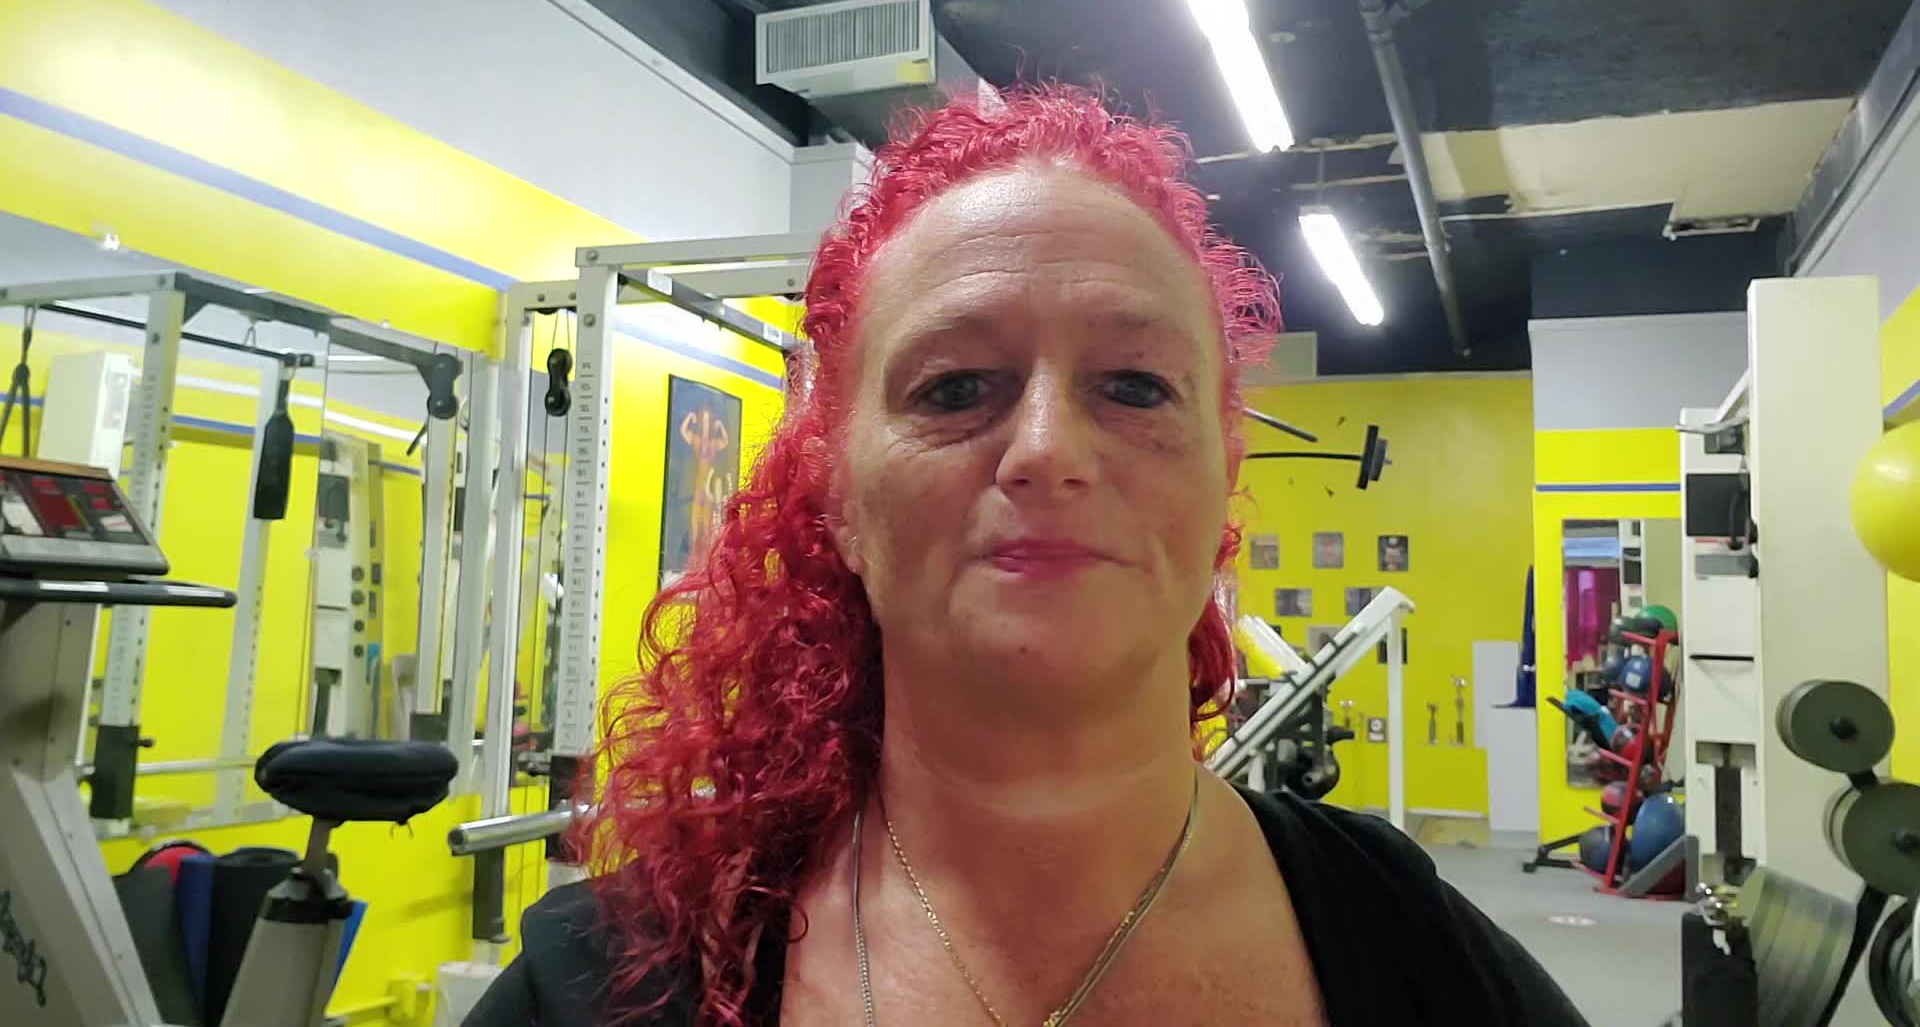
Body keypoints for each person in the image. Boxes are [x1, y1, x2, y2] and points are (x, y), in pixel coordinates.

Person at [467, 86, 1586, 1027]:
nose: (1049, 452)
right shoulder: (608, 983)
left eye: (1135, 386)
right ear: (838, 494)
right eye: (955, 387)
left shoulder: (1418, 957)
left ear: (1222, 481)